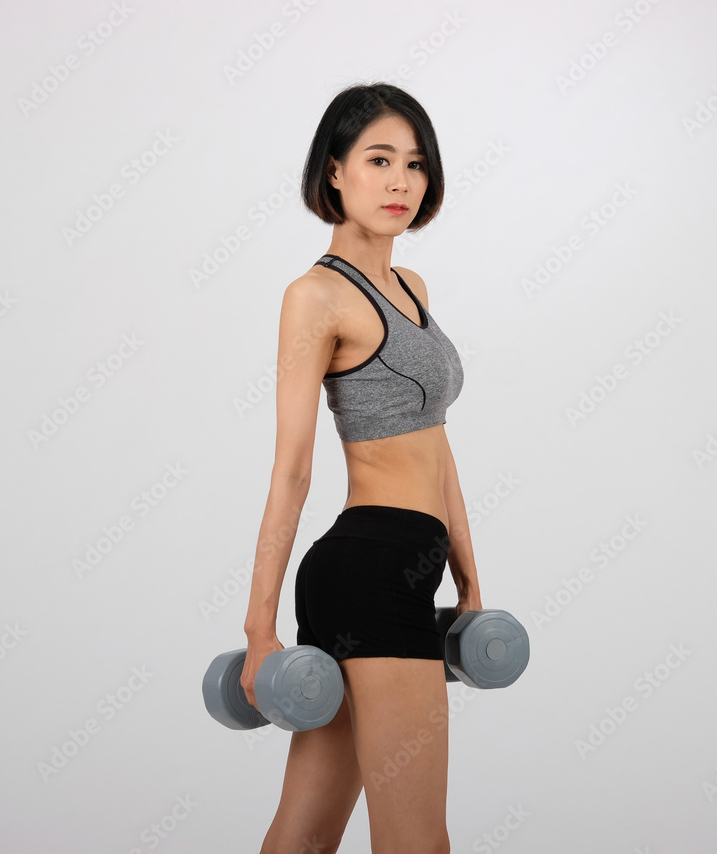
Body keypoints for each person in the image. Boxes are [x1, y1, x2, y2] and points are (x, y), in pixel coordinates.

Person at [240, 83, 482, 854]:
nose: (400, 181)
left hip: (410, 566)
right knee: (418, 842)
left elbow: (436, 447)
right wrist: (259, 628)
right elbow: (292, 471)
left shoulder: (413, 288)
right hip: (369, 572)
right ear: (335, 171)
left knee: (304, 837)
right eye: (379, 159)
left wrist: (471, 582)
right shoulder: (314, 297)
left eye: (415, 164)